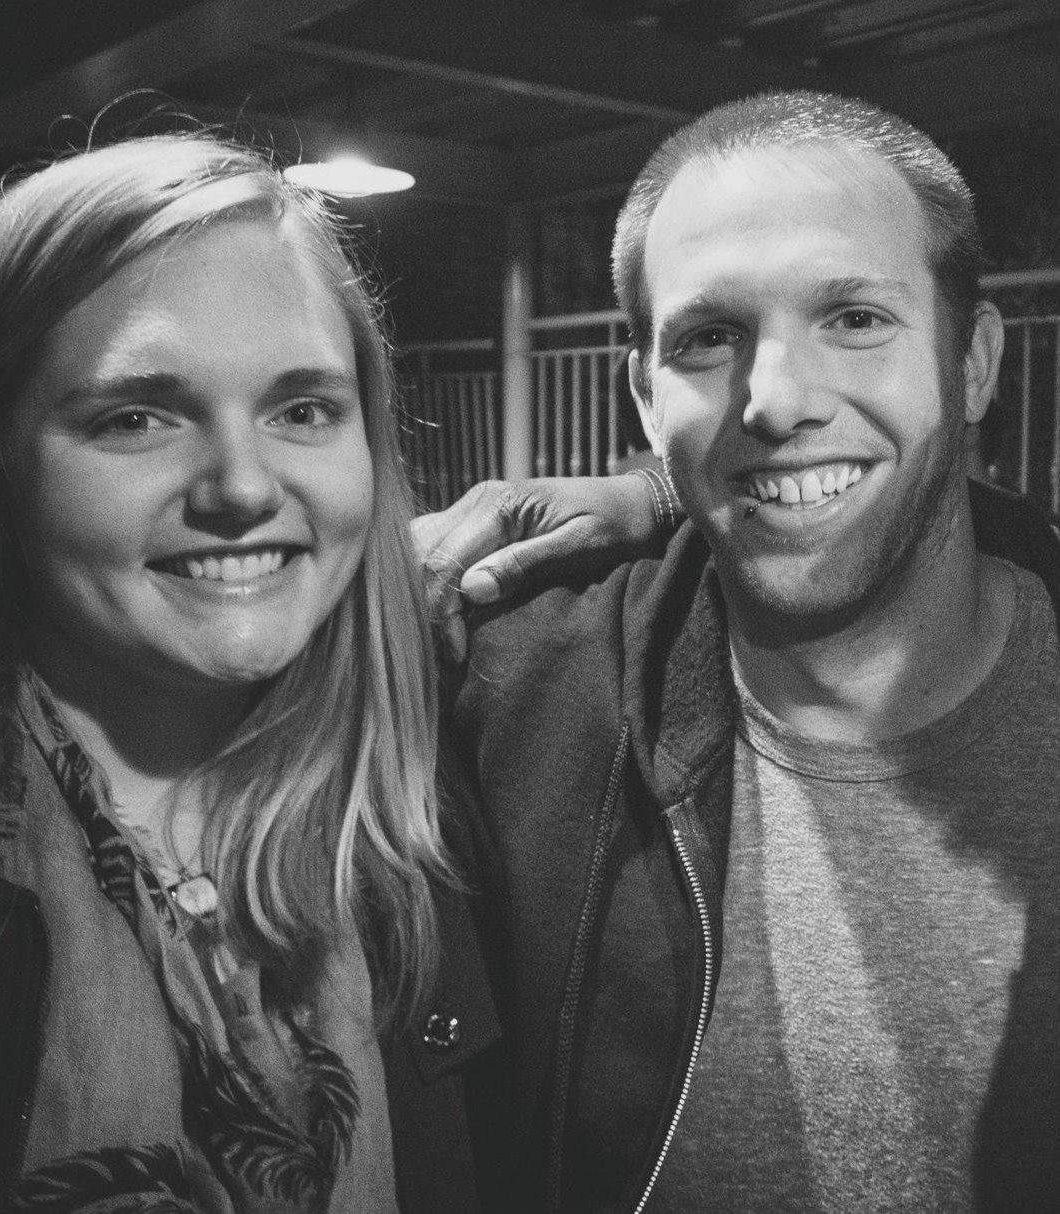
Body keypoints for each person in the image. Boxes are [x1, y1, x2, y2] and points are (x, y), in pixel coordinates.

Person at [428, 91, 1060, 1212]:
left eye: (853, 318)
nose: (775, 400)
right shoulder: (510, 702)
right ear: (644, 395)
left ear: (971, 362)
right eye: (709, 338)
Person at [0, 135, 501, 1214]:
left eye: (302, 409)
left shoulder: (446, 798)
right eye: (136, 417)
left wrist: (666, 496)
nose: (242, 486)